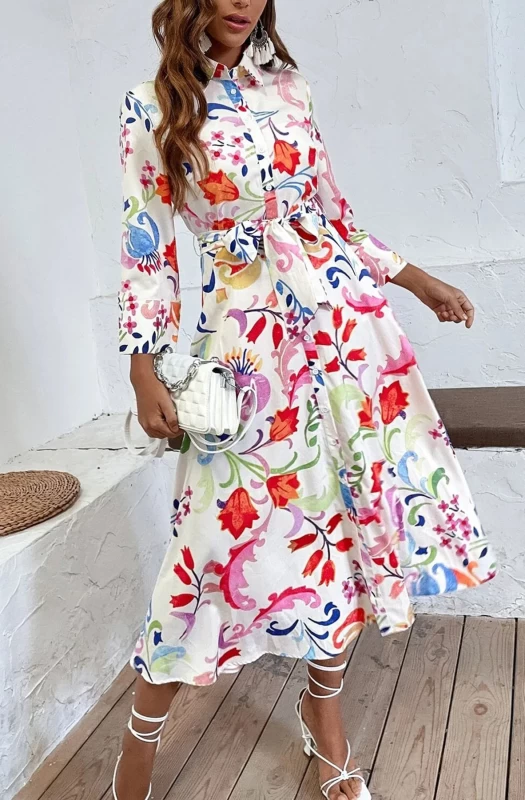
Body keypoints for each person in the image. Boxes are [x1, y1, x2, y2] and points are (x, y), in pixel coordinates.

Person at [115, 1, 497, 798]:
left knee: (347, 525)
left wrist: (417, 280)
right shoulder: (151, 107)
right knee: (209, 537)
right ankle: (141, 735)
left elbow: (334, 216)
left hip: (346, 334)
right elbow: (146, 251)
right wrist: (144, 368)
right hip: (240, 349)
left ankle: (324, 714)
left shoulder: (290, 90)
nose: (239, 2)